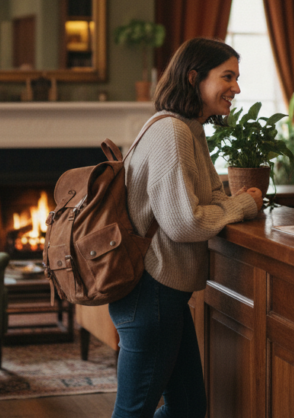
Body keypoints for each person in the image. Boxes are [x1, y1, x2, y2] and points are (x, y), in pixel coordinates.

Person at [112, 37, 264, 418]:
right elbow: (184, 223)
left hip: (163, 295)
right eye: (227, 77)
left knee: (188, 409)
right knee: (134, 413)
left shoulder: (189, 130)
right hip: (151, 294)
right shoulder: (172, 132)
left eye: (237, 77)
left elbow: (210, 201)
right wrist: (244, 203)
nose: (237, 88)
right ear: (195, 77)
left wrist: (229, 204)